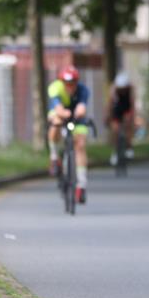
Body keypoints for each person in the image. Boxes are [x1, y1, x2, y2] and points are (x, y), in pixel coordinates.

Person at [47, 65, 91, 203]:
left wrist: (79, 111)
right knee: (56, 122)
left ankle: (81, 186)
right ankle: (54, 157)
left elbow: (82, 107)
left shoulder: (83, 90)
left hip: (76, 118)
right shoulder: (55, 87)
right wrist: (64, 113)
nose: (69, 86)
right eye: (66, 83)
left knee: (80, 145)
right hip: (60, 114)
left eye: (72, 83)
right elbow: (57, 107)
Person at [106, 71, 136, 164]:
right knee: (115, 129)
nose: (122, 90)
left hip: (126, 107)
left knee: (128, 123)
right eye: (120, 88)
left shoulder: (131, 89)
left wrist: (132, 118)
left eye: (124, 88)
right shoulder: (113, 89)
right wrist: (108, 116)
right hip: (117, 108)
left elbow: (132, 104)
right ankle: (115, 152)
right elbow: (109, 105)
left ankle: (129, 146)